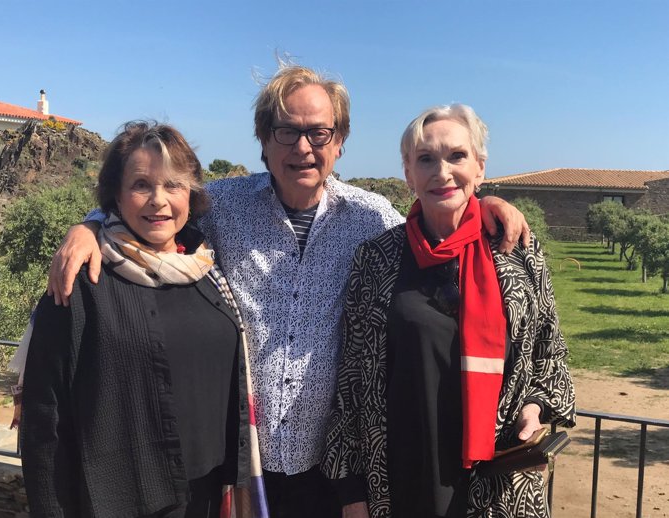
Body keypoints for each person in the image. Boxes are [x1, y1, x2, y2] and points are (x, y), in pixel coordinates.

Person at [46, 63, 530, 518]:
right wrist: (91, 225)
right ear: (263, 138)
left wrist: (487, 203)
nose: (303, 146)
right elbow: (155, 212)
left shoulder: (373, 217)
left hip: (331, 466)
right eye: (287, 131)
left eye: (319, 132)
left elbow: (439, 212)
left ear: (339, 141)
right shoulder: (223, 208)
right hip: (238, 461)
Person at [321, 104, 576, 518]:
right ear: (408, 173)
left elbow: (550, 353)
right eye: (425, 159)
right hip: (399, 478)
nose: (442, 172)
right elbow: (351, 379)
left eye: (457, 156)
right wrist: (351, 491)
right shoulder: (376, 259)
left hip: (497, 486)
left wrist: (536, 407)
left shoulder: (520, 254)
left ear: (479, 167)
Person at [19, 122, 265, 517]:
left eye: (173, 185)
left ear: (191, 193)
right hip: (119, 500)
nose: (159, 200)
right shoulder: (83, 279)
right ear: (115, 194)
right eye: (141, 185)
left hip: (206, 494)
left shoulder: (205, 269)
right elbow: (45, 420)